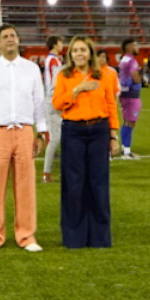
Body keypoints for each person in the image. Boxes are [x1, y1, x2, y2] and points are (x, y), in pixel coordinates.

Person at [0, 23, 50, 252]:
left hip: (25, 131)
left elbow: (39, 101)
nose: (10, 39)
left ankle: (26, 236)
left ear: (18, 40)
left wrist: (41, 133)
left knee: (26, 187)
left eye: (13, 35)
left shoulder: (31, 69)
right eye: (5, 36)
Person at [52, 34, 120, 248]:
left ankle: (100, 237)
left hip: (99, 131)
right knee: (73, 184)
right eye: (75, 50)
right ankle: (75, 237)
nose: (79, 54)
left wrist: (113, 135)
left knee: (99, 184)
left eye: (83, 50)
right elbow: (57, 104)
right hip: (73, 131)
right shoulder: (64, 76)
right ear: (70, 54)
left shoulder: (104, 76)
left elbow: (111, 105)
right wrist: (77, 90)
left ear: (90, 53)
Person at [40, 37, 66, 179]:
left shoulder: (51, 59)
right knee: (56, 138)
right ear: (55, 45)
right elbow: (56, 82)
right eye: (60, 42)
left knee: (59, 137)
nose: (62, 45)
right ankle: (47, 172)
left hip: (53, 99)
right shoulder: (54, 61)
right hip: (54, 100)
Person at [116, 38, 144, 159]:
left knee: (127, 121)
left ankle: (125, 149)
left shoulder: (124, 59)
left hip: (125, 93)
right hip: (131, 93)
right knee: (130, 122)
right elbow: (136, 78)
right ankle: (126, 151)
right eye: (135, 45)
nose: (138, 48)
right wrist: (141, 77)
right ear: (129, 48)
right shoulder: (131, 61)